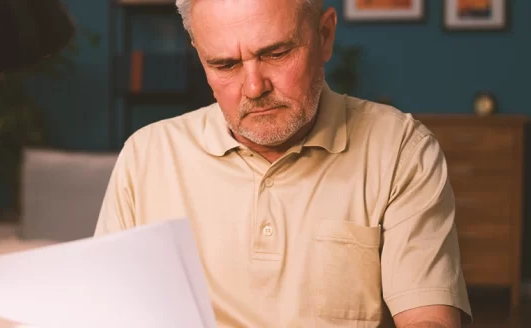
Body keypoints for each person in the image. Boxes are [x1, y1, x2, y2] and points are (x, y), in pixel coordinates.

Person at [93, 0, 472, 327]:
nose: (254, 88)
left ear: (324, 36)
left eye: (276, 54)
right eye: (224, 64)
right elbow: (104, 309)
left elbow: (429, 318)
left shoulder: (401, 148)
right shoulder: (147, 156)